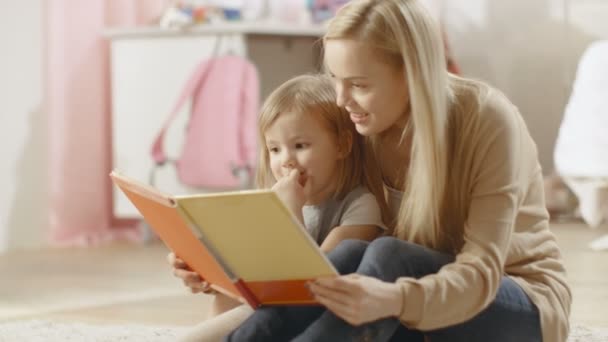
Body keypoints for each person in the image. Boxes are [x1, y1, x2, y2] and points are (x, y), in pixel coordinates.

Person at [226, 0, 572, 341]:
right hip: (413, 301)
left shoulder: (487, 120)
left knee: (389, 253)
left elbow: (480, 274)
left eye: (359, 85)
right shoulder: (361, 124)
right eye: (336, 80)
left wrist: (393, 299)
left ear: (412, 74)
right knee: (349, 254)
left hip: (513, 299)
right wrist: (221, 270)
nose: (341, 100)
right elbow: (323, 225)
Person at [168, 74, 391, 341]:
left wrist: (289, 212)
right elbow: (252, 276)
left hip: (310, 316)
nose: (286, 161)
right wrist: (207, 271)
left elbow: (311, 284)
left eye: (300, 145)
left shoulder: (360, 205)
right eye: (274, 149)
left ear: (342, 145)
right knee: (228, 299)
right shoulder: (270, 201)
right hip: (268, 306)